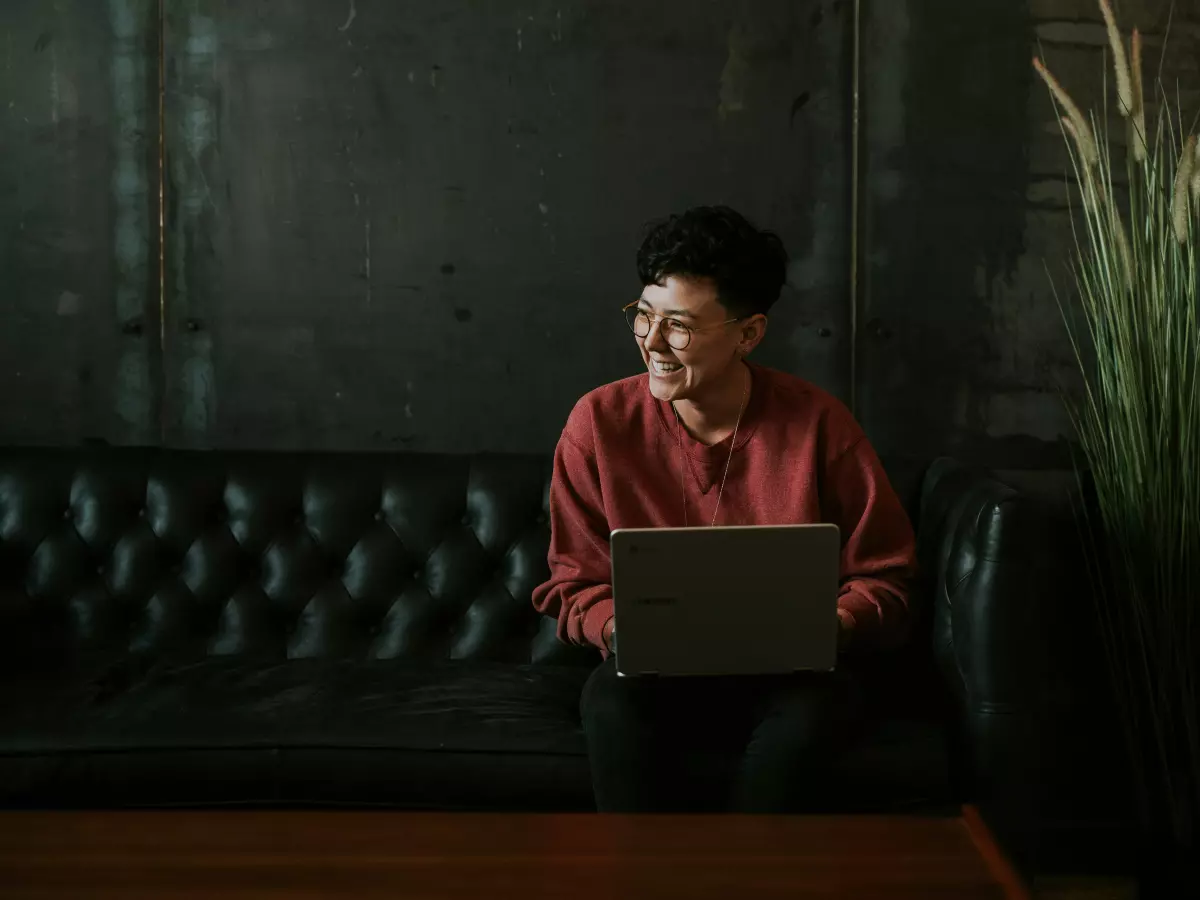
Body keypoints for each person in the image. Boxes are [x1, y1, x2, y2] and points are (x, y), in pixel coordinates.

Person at [531, 205, 917, 813]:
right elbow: (573, 581)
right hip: (650, 678)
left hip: (793, 677)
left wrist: (830, 626)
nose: (652, 342)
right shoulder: (599, 422)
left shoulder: (818, 423)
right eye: (644, 316)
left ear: (749, 333)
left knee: (811, 720)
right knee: (611, 704)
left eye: (678, 325)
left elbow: (886, 576)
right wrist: (615, 628)